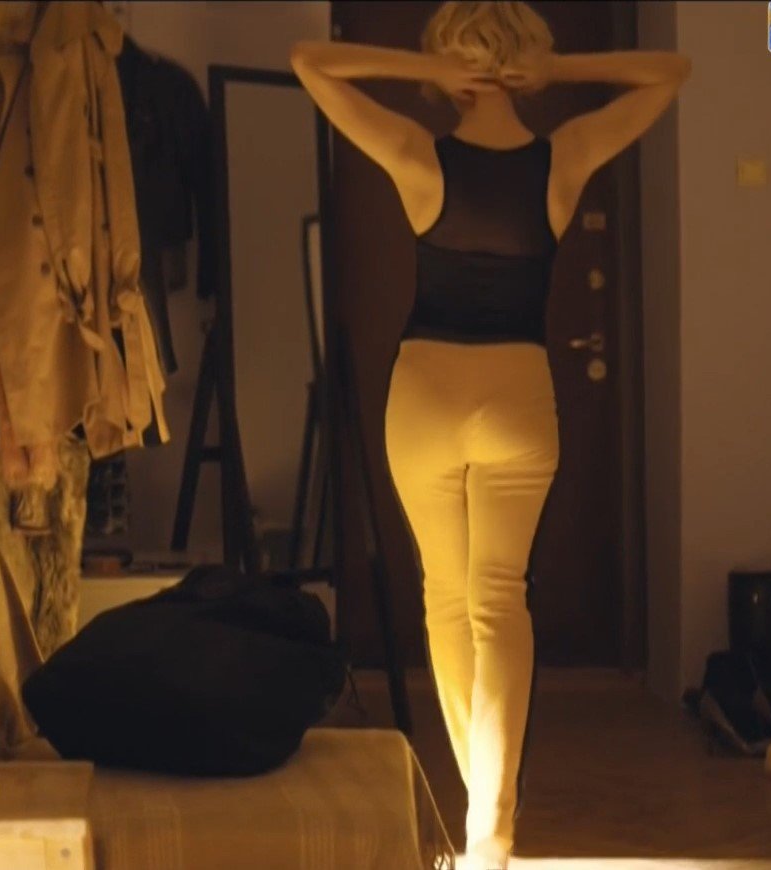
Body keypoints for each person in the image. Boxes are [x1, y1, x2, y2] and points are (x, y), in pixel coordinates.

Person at [291, 4, 688, 867]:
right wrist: (559, 73)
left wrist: (422, 73)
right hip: (518, 393)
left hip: (425, 394)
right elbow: (672, 72)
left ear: (451, 60)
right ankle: (492, 828)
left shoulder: (416, 154)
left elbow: (309, 61)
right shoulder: (564, 157)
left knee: (446, 599)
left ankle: (484, 815)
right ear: (528, 58)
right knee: (501, 602)